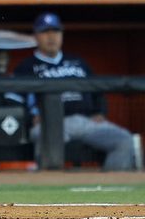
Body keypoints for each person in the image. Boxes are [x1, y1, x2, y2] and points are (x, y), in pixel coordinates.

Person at [10, 13, 136, 171]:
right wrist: (30, 118)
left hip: (86, 122)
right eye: (45, 32)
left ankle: (108, 189)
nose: (51, 37)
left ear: (62, 34)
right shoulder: (26, 67)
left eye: (55, 31)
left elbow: (98, 91)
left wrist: (100, 112)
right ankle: (50, 188)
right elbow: (12, 100)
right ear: (35, 36)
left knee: (124, 140)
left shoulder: (78, 62)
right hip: (51, 125)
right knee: (48, 140)